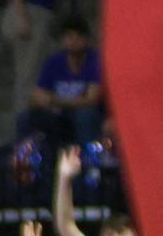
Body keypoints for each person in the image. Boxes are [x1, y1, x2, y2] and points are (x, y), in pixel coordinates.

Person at [23, 16, 104, 146]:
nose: (73, 41)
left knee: (85, 116)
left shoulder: (95, 60)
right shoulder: (53, 62)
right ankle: (32, 164)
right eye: (69, 36)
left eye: (78, 36)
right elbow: (37, 96)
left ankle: (89, 164)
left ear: (87, 39)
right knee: (26, 118)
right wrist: (40, 100)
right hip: (59, 114)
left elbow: (92, 100)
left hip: (87, 114)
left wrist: (54, 100)